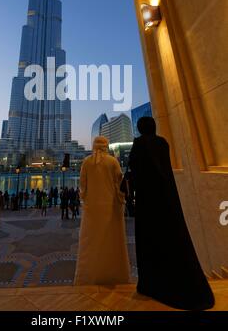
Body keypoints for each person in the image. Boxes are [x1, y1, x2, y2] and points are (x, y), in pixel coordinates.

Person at [129, 116, 215, 311]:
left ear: (141, 128)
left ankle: (151, 284)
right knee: (174, 236)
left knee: (150, 239)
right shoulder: (163, 142)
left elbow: (135, 169)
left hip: (148, 200)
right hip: (167, 198)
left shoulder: (140, 143)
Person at [74, 136, 130, 285]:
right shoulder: (113, 161)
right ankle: (116, 275)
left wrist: (85, 199)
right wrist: (121, 199)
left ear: (94, 145)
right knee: (112, 240)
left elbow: (82, 186)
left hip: (92, 209)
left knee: (90, 241)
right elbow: (120, 185)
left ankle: (87, 277)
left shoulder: (87, 162)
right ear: (106, 145)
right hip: (111, 207)